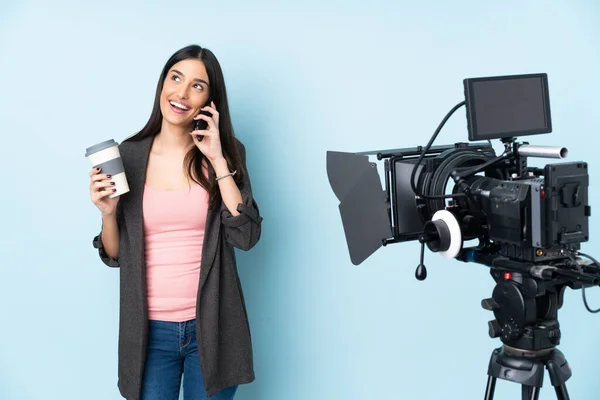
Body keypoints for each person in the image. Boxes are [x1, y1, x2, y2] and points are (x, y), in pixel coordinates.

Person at [88, 44, 262, 400]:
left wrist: (217, 159)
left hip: (212, 329)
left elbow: (245, 236)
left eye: (197, 86)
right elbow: (116, 254)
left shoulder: (228, 153)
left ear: (210, 101)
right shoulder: (129, 156)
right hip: (149, 334)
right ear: (162, 84)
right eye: (176, 78)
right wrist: (108, 214)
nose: (181, 93)